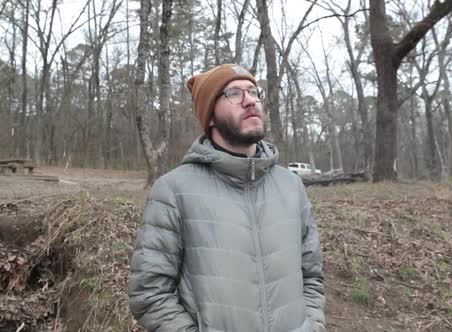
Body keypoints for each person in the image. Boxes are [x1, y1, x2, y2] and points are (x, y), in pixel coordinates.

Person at [128, 64, 325, 332]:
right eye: (234, 93)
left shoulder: (291, 186)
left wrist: (311, 326)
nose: (250, 101)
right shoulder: (173, 191)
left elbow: (312, 276)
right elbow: (149, 295)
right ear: (210, 116)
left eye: (253, 92)